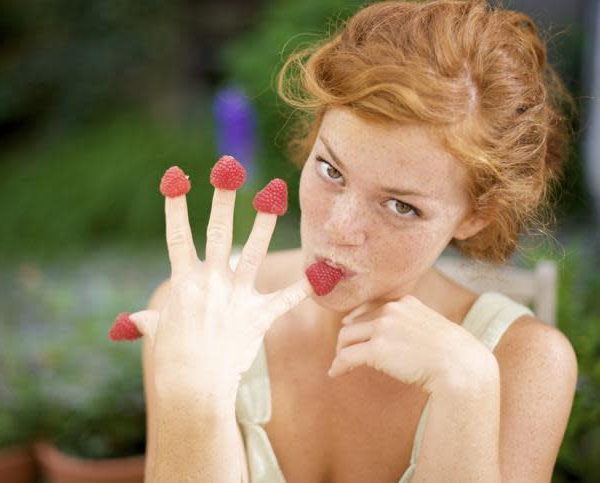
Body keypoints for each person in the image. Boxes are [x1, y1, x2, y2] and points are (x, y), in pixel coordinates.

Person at [130, 0, 579, 481]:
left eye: (401, 206)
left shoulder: (525, 365)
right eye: (331, 170)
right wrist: (195, 397)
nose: (339, 227)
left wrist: (466, 392)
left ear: (477, 216)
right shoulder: (203, 316)